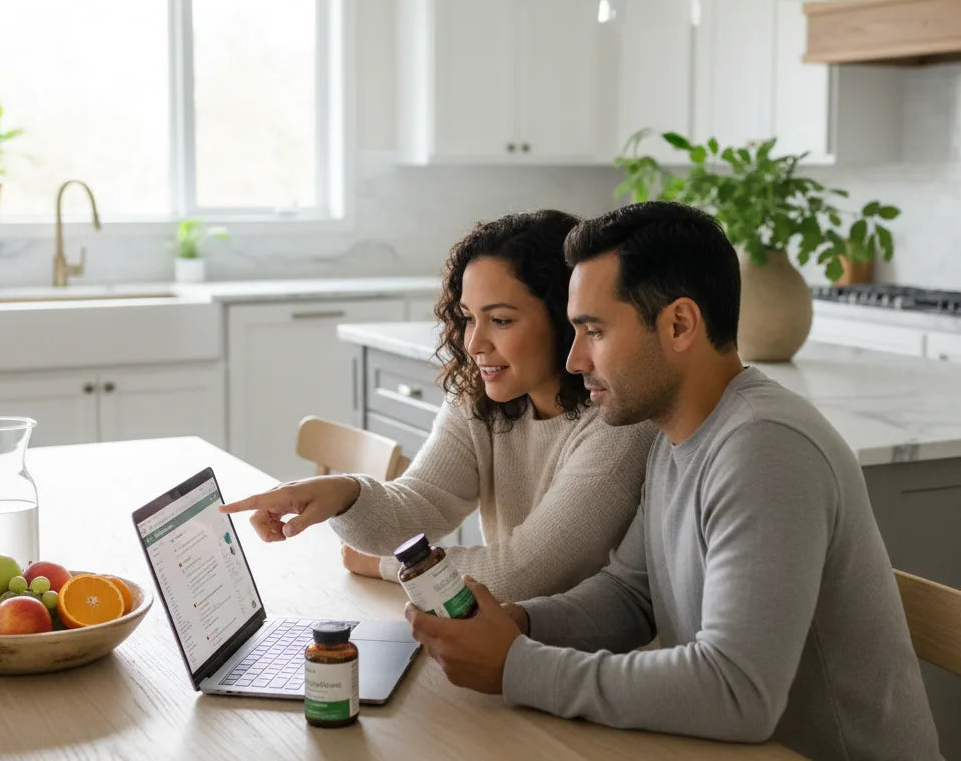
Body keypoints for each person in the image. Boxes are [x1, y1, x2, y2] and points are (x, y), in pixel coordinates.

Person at [405, 201, 949, 761]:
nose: (576, 359)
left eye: (595, 331)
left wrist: (518, 666)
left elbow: (737, 691)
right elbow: (631, 594)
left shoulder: (765, 449)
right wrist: (519, 623)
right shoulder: (674, 433)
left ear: (680, 324)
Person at [221, 209, 656, 601]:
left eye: (501, 320)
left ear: (567, 318)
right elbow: (417, 507)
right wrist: (344, 496)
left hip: (590, 668)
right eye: (468, 317)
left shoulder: (619, 420)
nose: (474, 343)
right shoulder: (482, 396)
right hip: (503, 639)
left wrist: (389, 565)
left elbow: (522, 576)